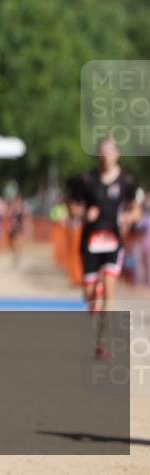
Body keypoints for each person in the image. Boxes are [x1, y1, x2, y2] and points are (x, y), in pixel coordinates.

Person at [68, 136, 142, 360]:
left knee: (110, 289)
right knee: (90, 294)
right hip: (90, 242)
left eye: (110, 152)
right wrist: (82, 214)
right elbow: (72, 207)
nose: (106, 156)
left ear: (117, 155)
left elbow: (137, 208)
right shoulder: (87, 180)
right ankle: (94, 293)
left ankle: (101, 342)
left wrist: (129, 217)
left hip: (113, 242)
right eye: (102, 152)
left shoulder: (127, 181)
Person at [6, 192, 27, 268]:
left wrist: (25, 228)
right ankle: (15, 256)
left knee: (19, 243)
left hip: (19, 228)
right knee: (13, 244)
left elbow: (24, 218)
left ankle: (17, 257)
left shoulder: (22, 208)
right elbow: (8, 215)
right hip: (13, 228)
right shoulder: (12, 207)